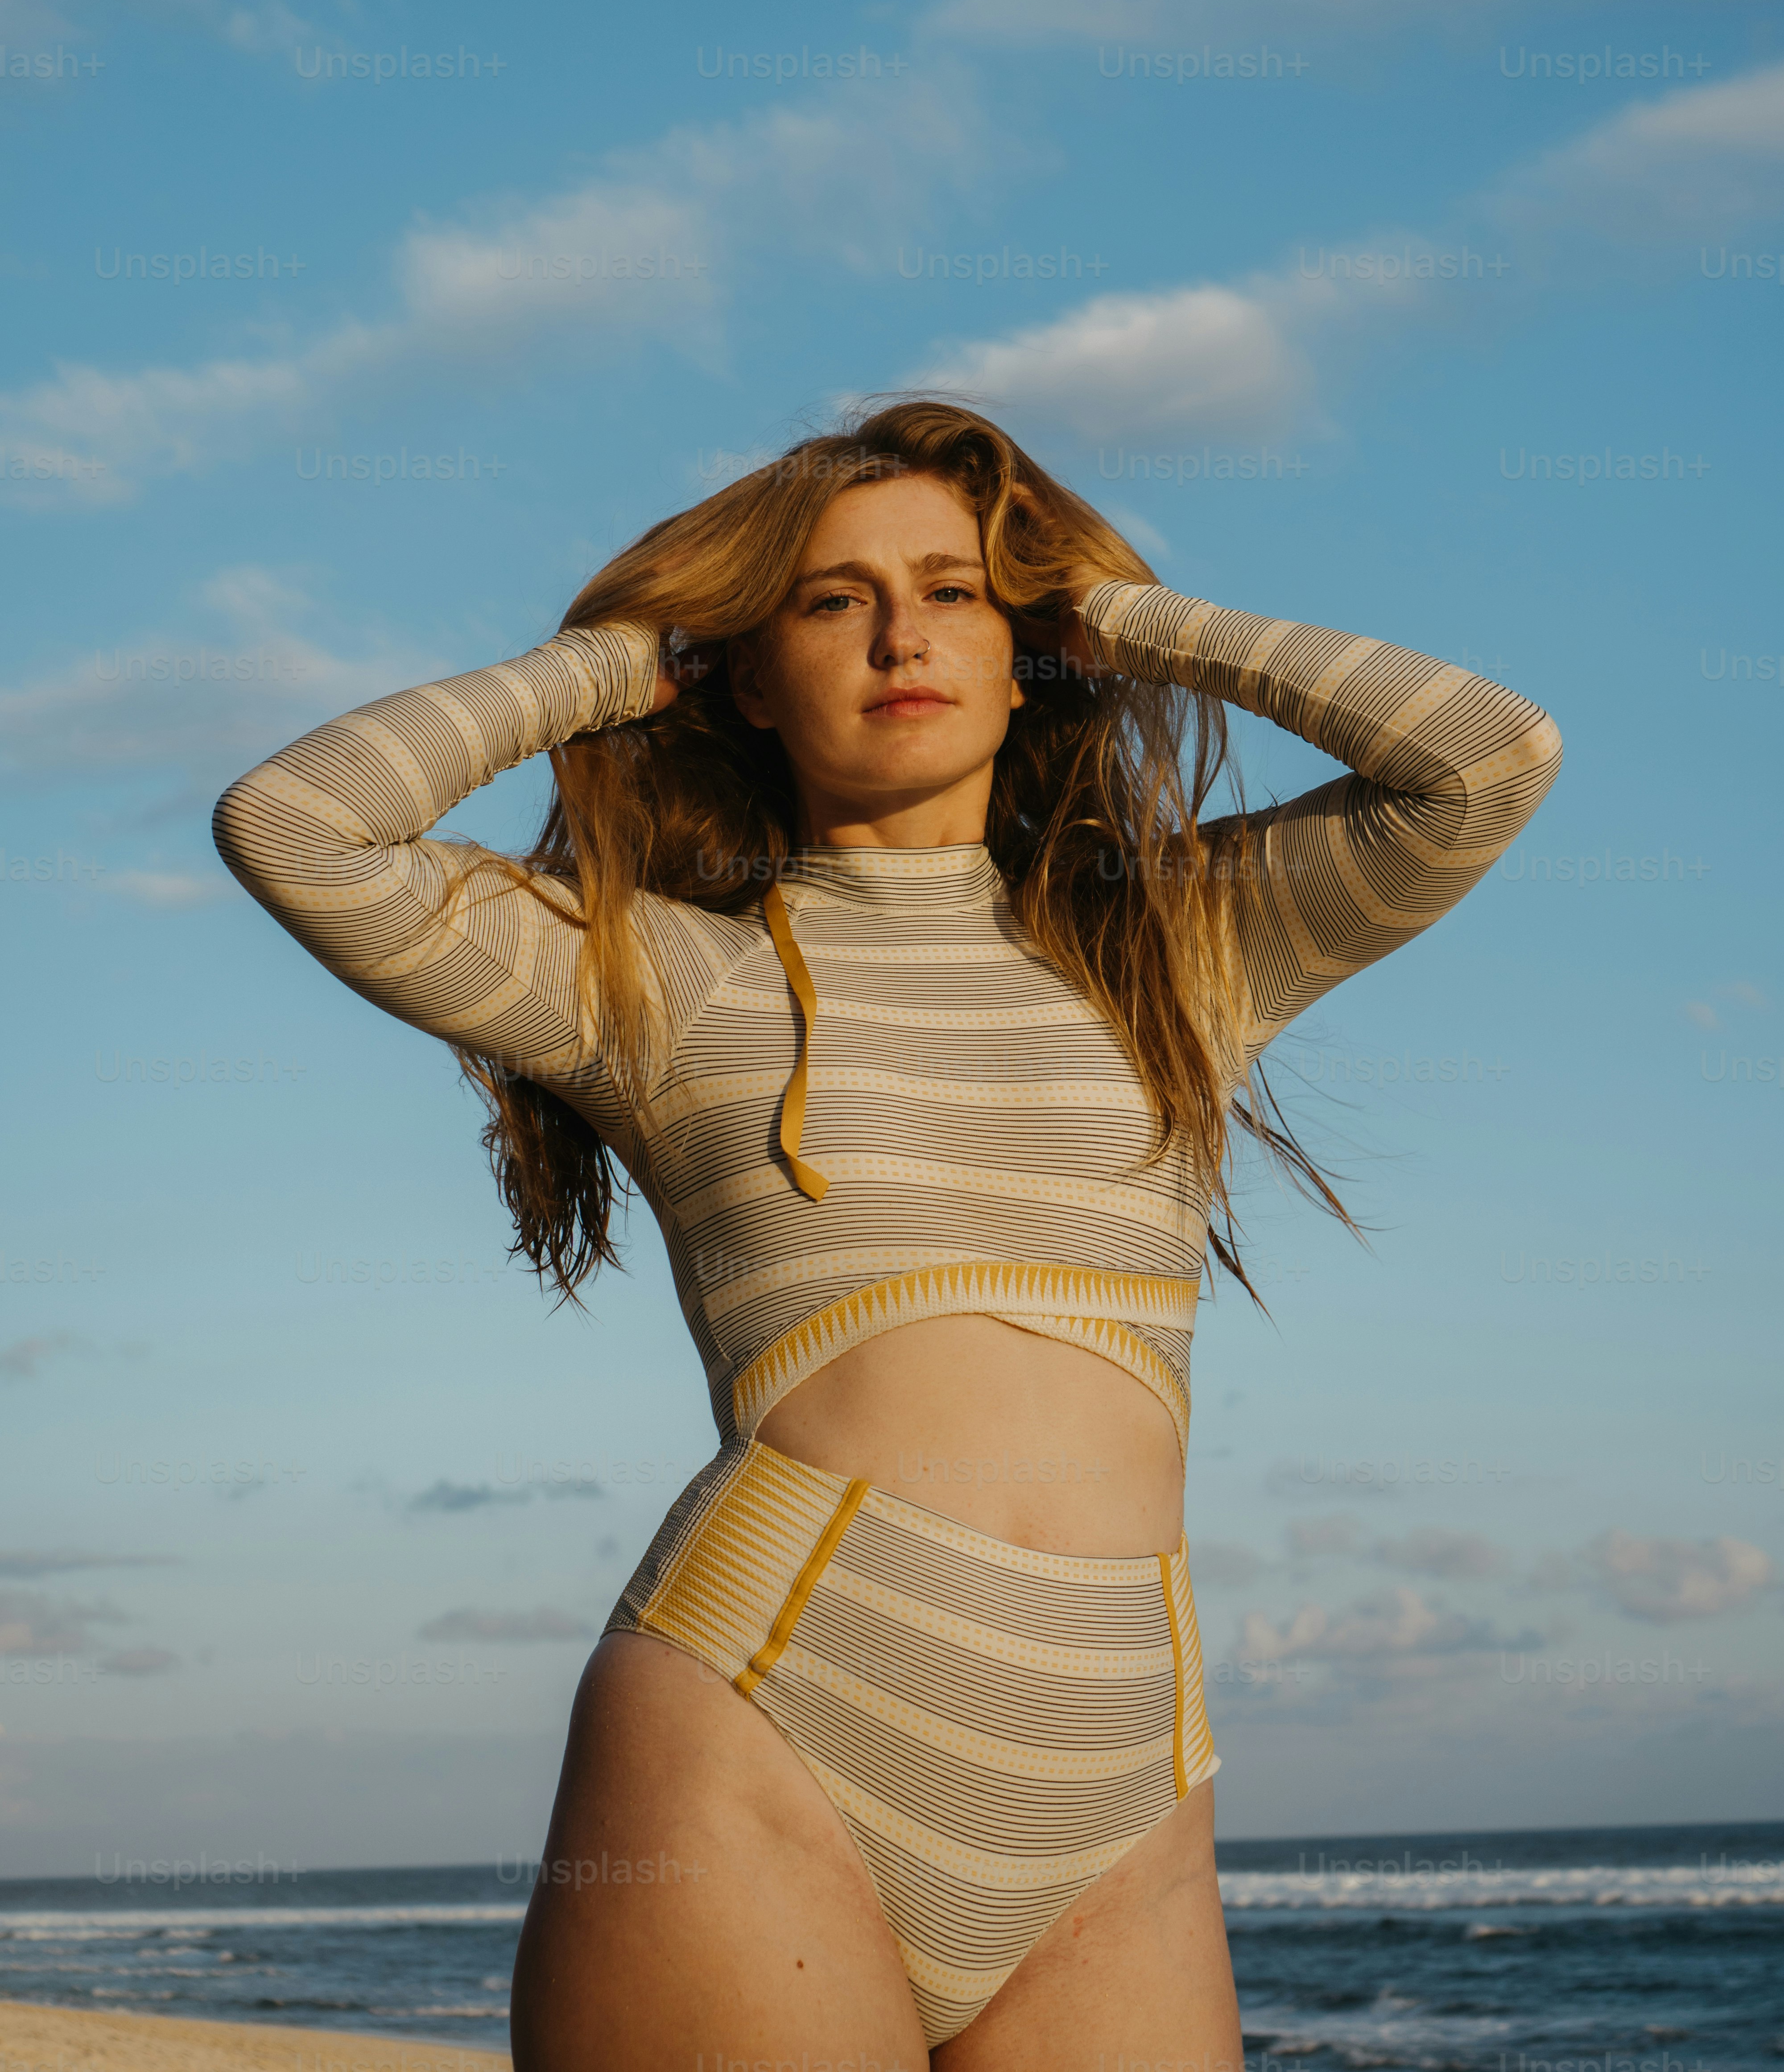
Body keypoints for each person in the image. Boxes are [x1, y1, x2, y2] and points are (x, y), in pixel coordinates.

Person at [213, 397, 1561, 2068]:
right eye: (832, 600)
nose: (905, 633)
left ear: (1026, 651)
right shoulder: (651, 975)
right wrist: (632, 662)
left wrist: (1121, 618)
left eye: (959, 589)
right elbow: (298, 824)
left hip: (1124, 1778)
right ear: (751, 675)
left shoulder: (1176, 951)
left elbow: (1490, 757)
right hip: (769, 1714)